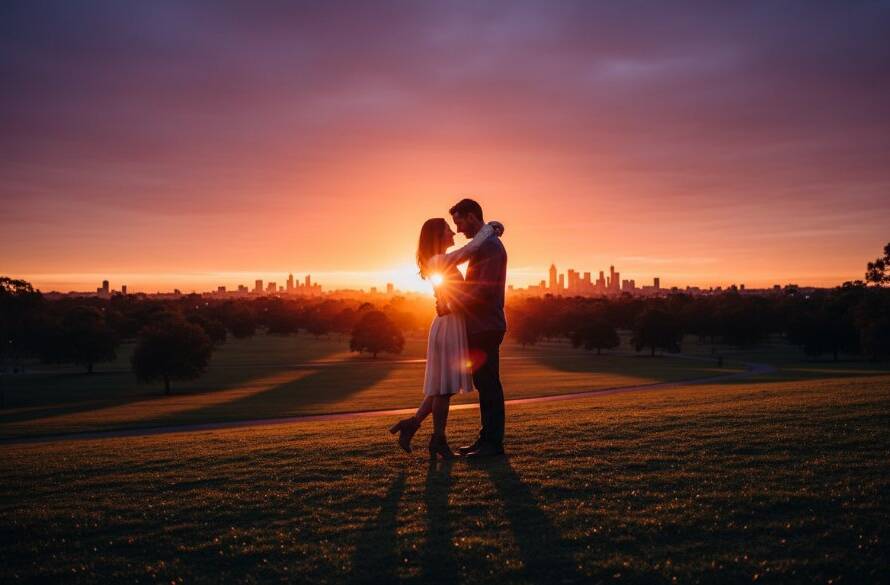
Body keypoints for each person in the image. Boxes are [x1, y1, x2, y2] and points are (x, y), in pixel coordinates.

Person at [389, 215, 504, 458]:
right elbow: (470, 249)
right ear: (437, 237)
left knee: (443, 388)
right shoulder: (438, 260)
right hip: (448, 325)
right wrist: (490, 228)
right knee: (443, 389)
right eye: (448, 230)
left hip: (451, 323)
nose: (454, 233)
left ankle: (412, 424)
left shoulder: (438, 261)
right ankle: (438, 440)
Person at [448, 199, 508, 458]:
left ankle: (492, 444)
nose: (459, 229)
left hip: (486, 324)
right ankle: (486, 439)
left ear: (472, 217)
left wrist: (453, 299)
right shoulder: (485, 244)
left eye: (460, 222)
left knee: (489, 384)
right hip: (481, 324)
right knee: (485, 384)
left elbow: (483, 289)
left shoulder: (490, 247)